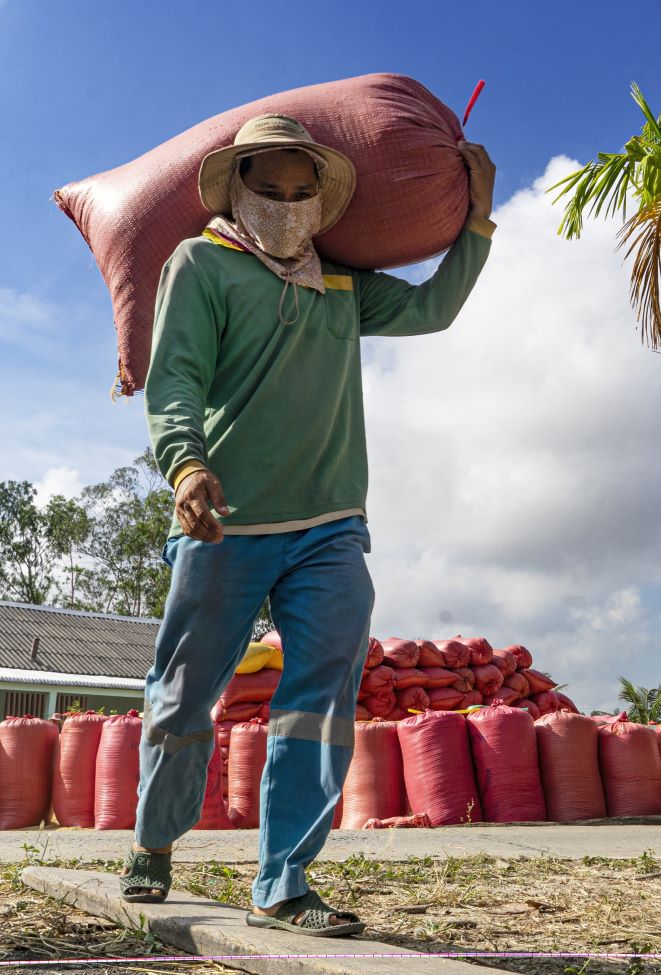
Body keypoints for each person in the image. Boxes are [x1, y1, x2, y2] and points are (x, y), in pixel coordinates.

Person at [119, 113, 496, 936]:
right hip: (226, 520)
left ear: (322, 202)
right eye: (271, 189)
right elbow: (175, 374)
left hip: (331, 525)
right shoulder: (203, 265)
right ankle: (153, 841)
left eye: (302, 192)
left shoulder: (343, 283)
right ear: (238, 187)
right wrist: (184, 465)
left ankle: (283, 879)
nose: (287, 206)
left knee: (317, 699)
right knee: (184, 696)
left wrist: (476, 225)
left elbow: (433, 307)